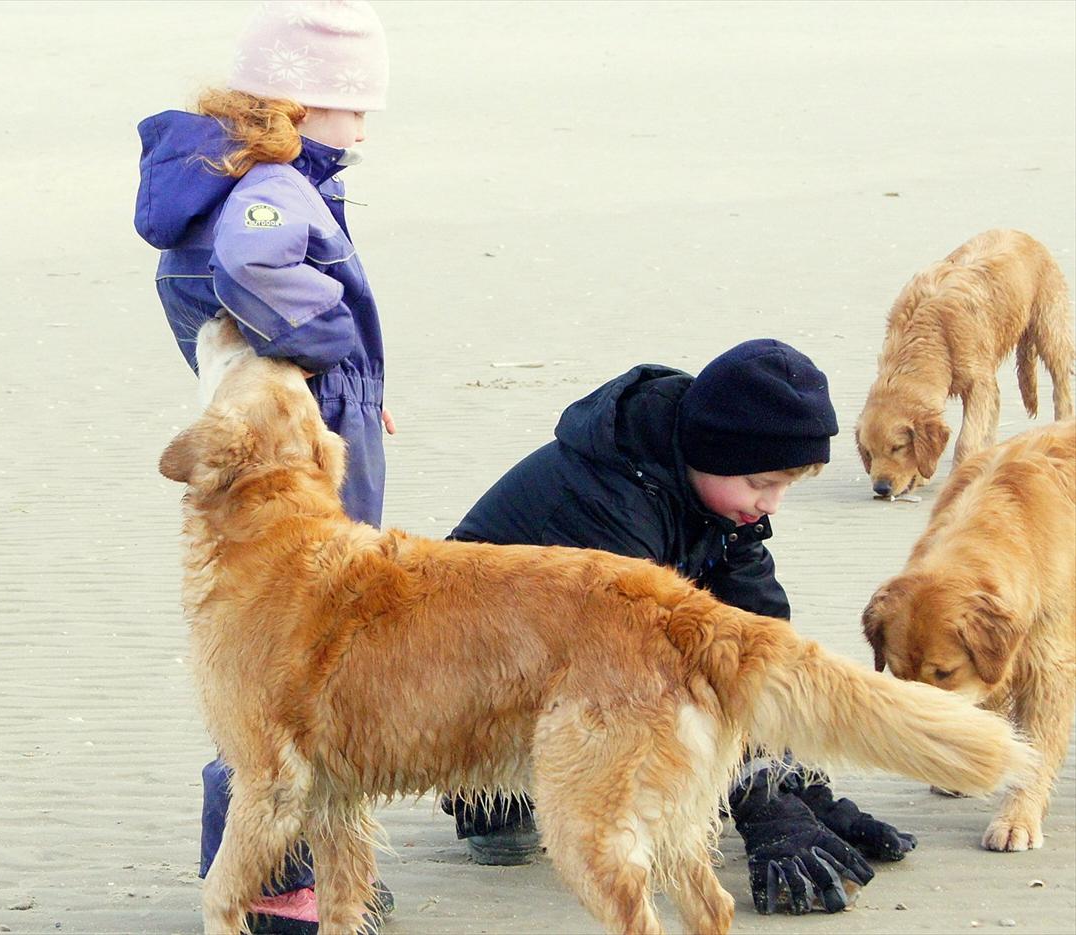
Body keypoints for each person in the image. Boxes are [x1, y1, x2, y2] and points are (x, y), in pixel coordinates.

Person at [440, 339, 917, 915]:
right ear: (715, 451)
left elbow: (755, 639)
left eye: (788, 485)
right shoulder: (607, 506)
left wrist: (801, 784)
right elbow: (650, 670)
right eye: (763, 482)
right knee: (657, 689)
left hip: (576, 662)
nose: (774, 503)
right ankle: (492, 798)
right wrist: (763, 802)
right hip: (475, 683)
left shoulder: (716, 496)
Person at [134, 2, 395, 932]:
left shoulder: (222, 173)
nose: (364, 127)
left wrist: (352, 376)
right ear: (302, 101)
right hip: (309, 453)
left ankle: (292, 868)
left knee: (284, 653)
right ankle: (282, 882)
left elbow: (219, 314)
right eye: (353, 107)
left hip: (290, 432)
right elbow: (256, 266)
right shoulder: (271, 185)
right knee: (298, 658)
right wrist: (332, 357)